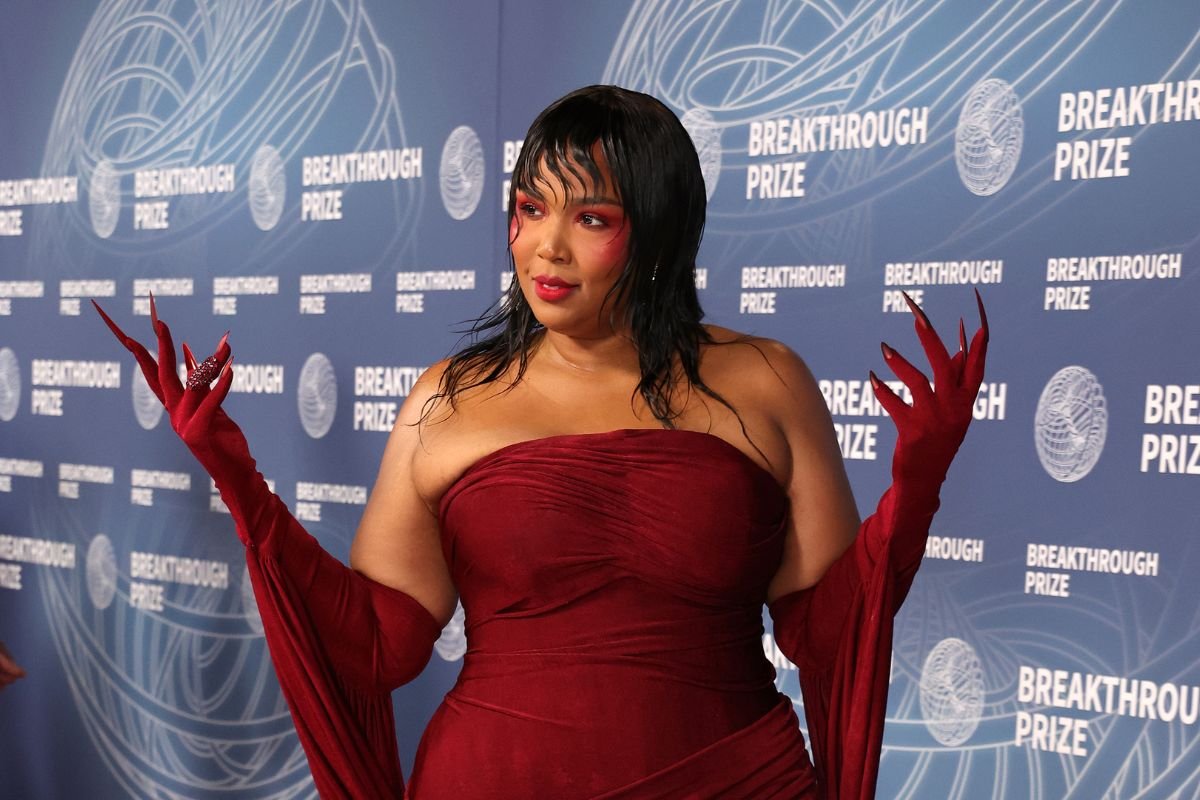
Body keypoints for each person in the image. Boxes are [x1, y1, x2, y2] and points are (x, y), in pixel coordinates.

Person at [97, 85, 987, 799]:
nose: (545, 247)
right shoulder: (447, 400)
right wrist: (237, 478)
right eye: (530, 207)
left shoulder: (767, 380)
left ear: (658, 234)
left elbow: (824, 638)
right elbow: (378, 645)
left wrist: (914, 493)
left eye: (592, 218)